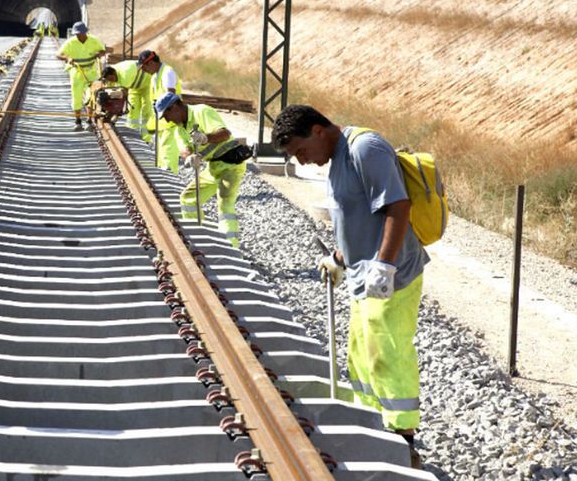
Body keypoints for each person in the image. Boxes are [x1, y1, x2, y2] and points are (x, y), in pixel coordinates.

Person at [272, 104, 428, 468]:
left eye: (300, 151)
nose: (303, 161)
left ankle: (404, 444)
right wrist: (340, 259)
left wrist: (384, 265)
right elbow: (356, 217)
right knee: (360, 357)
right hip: (363, 277)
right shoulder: (337, 159)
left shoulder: (363, 148)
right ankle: (375, 433)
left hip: (392, 276)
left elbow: (397, 205)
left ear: (318, 131)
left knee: (387, 355)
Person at [154, 92, 246, 248]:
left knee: (225, 204)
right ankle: (198, 240)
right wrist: (190, 157)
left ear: (175, 106)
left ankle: (231, 247)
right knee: (188, 199)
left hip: (231, 164)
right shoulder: (179, 129)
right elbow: (184, 149)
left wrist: (205, 138)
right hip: (214, 167)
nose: (167, 119)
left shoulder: (201, 111)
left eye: (166, 114)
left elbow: (224, 134)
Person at [57, 21, 106, 130]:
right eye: (77, 34)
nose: (79, 35)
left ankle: (89, 120)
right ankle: (78, 121)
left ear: (85, 33)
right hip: (77, 72)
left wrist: (100, 54)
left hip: (91, 71)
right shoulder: (71, 42)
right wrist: (67, 58)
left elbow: (103, 50)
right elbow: (58, 54)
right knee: (77, 96)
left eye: (81, 33)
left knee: (92, 95)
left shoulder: (93, 41)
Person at [138, 50, 183, 167]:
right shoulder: (155, 76)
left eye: (144, 67)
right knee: (161, 150)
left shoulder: (167, 72)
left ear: (151, 63)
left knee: (167, 150)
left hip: (170, 119)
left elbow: (171, 95)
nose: (144, 70)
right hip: (161, 119)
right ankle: (163, 173)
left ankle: (171, 176)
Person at [100, 59, 150, 133]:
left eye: (111, 79)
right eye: (109, 80)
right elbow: (110, 91)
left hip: (147, 84)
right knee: (132, 109)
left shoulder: (125, 74)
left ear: (114, 73)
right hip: (134, 86)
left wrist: (115, 113)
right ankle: (132, 131)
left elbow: (123, 95)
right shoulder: (111, 72)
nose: (111, 81)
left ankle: (147, 136)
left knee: (146, 109)